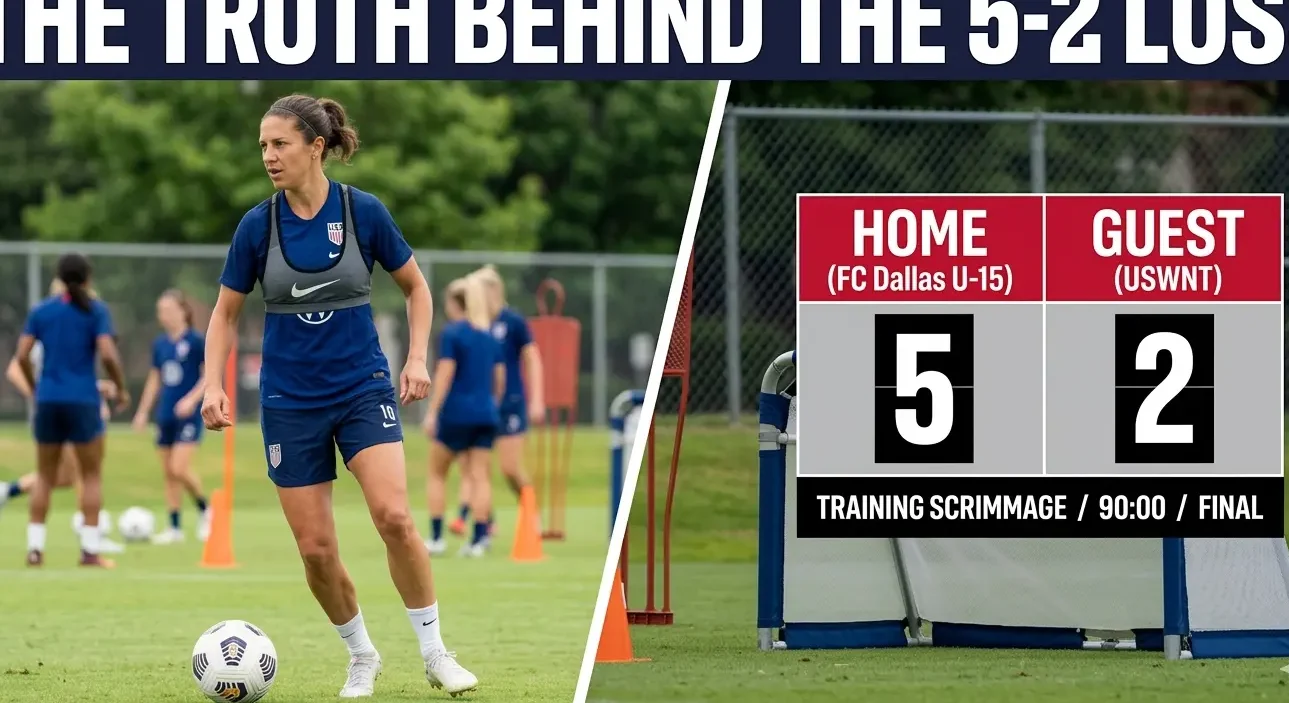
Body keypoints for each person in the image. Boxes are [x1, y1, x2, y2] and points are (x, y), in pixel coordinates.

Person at [200, 93, 477, 698]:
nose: (270, 157)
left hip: (361, 389)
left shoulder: (362, 212)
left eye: (281, 144)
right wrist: (213, 383)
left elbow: (418, 290)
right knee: (317, 550)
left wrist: (418, 357)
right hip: (289, 402)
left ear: (316, 147)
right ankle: (361, 656)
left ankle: (435, 653)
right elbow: (223, 316)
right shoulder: (258, 226)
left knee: (396, 518)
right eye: (264, 147)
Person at [14, 253, 129, 567]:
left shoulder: (42, 311)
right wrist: (120, 387)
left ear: (59, 278)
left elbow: (21, 355)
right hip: (82, 400)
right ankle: (90, 551)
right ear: (88, 278)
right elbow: (107, 354)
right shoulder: (95, 310)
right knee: (90, 474)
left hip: (48, 399)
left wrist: (35, 387)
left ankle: (35, 549)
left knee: (45, 475)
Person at [422, 275, 504, 557]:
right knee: (479, 476)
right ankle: (479, 540)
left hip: (457, 413)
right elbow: (499, 378)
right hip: (486, 414)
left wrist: (432, 412)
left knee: (436, 473)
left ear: (455, 303)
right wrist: (491, 403)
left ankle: (435, 538)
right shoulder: (489, 335)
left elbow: (445, 373)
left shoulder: (453, 333)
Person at [461, 265, 545, 537]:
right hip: (480, 405)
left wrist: (537, 400)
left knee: (510, 468)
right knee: (476, 469)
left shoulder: (513, 322)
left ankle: (532, 513)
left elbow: (532, 359)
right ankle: (485, 524)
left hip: (510, 402)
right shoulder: (473, 324)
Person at [131, 288, 211, 544]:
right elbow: (155, 380)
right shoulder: (160, 345)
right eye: (160, 311)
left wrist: (191, 399)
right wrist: (143, 412)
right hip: (166, 413)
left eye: (168, 310)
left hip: (189, 415)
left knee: (179, 468)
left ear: (182, 311)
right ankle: (174, 527)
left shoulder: (196, 341)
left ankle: (205, 509)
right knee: (168, 472)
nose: (163, 316)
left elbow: (208, 375)